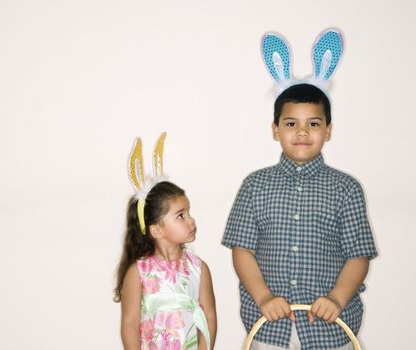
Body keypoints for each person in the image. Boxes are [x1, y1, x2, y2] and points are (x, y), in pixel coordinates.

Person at [222, 30, 377, 350]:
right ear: (275, 129)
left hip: (331, 330)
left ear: (328, 130)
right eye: (291, 123)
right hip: (267, 328)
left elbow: (358, 256)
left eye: (314, 123)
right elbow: (242, 251)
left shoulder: (346, 189)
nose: (303, 131)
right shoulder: (255, 185)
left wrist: (337, 298)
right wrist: (263, 297)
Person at [115, 133, 217, 350]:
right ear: (157, 230)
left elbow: (208, 316)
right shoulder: (138, 272)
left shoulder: (199, 269)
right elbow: (130, 323)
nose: (191, 220)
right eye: (181, 215)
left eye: (189, 213)